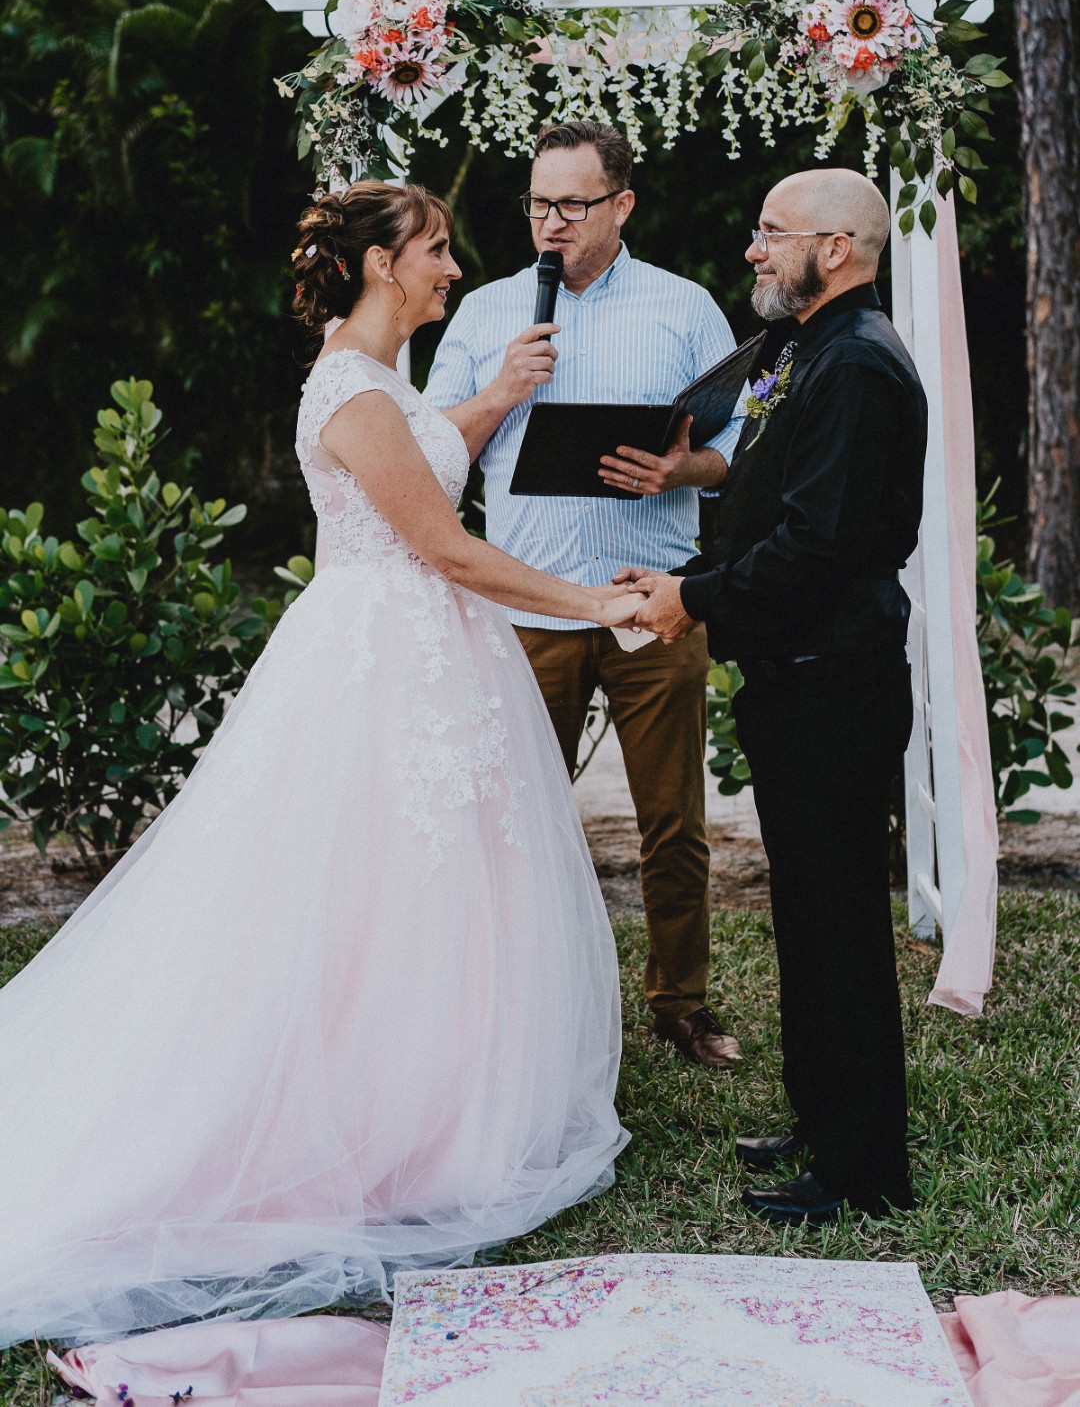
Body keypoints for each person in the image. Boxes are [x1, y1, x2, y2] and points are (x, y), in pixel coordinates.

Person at [0, 181, 643, 1350]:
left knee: (433, 888)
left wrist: (496, 395)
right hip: (382, 664)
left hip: (424, 657)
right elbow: (443, 545)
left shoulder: (383, 383)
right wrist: (594, 602)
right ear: (381, 266)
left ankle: (437, 1107)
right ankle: (364, 1117)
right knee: (364, 891)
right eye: (436, 249)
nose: (454, 267)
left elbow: (427, 462)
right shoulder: (350, 384)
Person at [623, 167, 928, 1223]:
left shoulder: (854, 366)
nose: (753, 249)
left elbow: (816, 544)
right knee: (806, 915)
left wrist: (690, 598)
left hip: (833, 681)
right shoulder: (805, 351)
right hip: (797, 677)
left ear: (835, 247)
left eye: (772, 232)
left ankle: (861, 1170)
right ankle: (822, 1118)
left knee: (839, 922)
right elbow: (762, 493)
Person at [426, 118, 746, 1072]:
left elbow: (743, 453)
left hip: (652, 602)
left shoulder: (686, 308)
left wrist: (682, 466)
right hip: (529, 608)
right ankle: (515, 1001)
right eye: (537, 204)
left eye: (572, 204)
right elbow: (430, 453)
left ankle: (679, 1004)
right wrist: (503, 390)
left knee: (672, 820)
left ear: (622, 205)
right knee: (515, 819)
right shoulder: (485, 314)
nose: (550, 223)